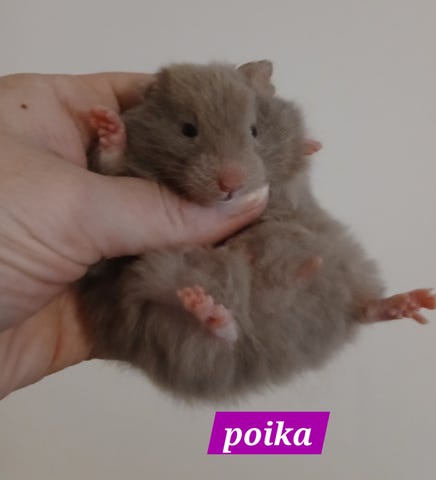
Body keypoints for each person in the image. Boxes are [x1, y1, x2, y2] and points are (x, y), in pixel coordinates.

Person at [0, 72, 268, 399]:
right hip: (122, 282)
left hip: (201, 296)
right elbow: (108, 191)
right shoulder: (145, 147)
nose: (231, 180)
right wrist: (113, 155)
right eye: (189, 131)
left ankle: (219, 327)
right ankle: (214, 326)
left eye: (250, 133)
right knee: (166, 284)